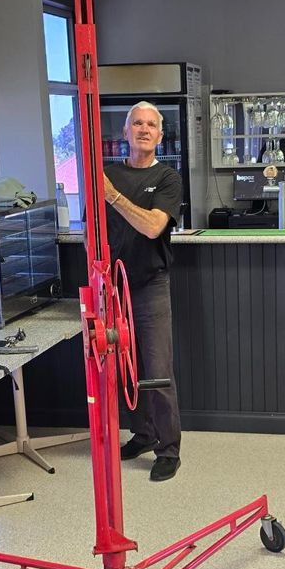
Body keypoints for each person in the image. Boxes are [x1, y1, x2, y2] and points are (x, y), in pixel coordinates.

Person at [102, 101, 183, 481]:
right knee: (125, 369)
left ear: (160, 135)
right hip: (115, 290)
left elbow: (153, 227)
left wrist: (113, 197)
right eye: (137, 123)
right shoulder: (108, 174)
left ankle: (168, 450)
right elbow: (96, 233)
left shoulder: (167, 178)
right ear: (126, 132)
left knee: (157, 368)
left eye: (151, 124)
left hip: (151, 286)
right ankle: (144, 434)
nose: (144, 129)